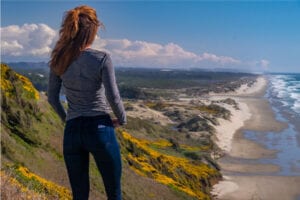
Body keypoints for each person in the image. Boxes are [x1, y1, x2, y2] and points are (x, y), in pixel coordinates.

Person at [47, 5, 126, 200]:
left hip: (72, 132)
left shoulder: (58, 58)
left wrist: (68, 120)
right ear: (93, 30)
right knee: (113, 193)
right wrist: (122, 119)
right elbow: (113, 96)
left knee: (79, 196)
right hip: (100, 129)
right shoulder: (102, 58)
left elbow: (51, 97)